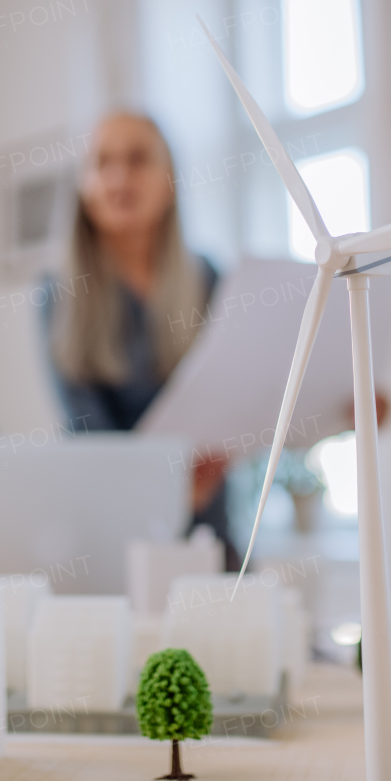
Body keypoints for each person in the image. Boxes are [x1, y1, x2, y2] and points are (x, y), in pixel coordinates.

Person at [45, 112, 236, 567]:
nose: (118, 177)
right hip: (116, 540)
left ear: (170, 181)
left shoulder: (209, 278)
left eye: (137, 159)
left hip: (212, 530)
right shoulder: (59, 294)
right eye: (102, 163)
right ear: (83, 189)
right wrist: (165, 487)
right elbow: (86, 432)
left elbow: (242, 392)